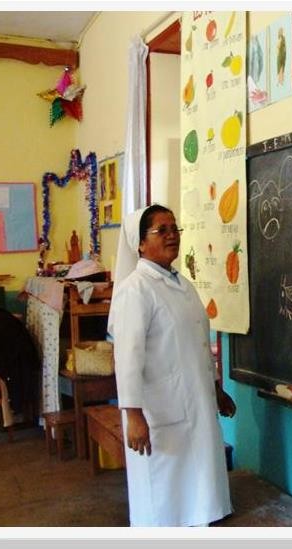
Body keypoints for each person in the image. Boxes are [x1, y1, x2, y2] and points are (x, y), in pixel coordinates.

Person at [107, 204, 236, 527]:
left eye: (174, 228)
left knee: (198, 492)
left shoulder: (182, 284)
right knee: (164, 502)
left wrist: (217, 389)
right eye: (161, 230)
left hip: (195, 402)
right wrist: (133, 415)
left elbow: (199, 344)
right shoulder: (135, 290)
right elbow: (128, 358)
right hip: (160, 411)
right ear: (140, 243)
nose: (171, 236)